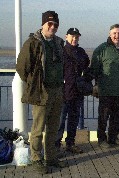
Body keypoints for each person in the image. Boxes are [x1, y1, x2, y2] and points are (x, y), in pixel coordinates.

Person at [16, 11, 66, 174]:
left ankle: (50, 157)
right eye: (49, 24)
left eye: (55, 25)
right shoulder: (33, 42)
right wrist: (34, 83)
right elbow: (22, 68)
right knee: (38, 127)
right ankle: (36, 158)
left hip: (57, 90)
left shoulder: (59, 43)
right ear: (43, 24)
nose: (52, 27)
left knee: (53, 127)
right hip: (42, 91)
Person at [90, 24, 119, 148]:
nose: (117, 36)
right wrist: (95, 86)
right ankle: (102, 139)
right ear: (109, 34)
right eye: (114, 33)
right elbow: (94, 69)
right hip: (106, 90)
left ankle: (113, 138)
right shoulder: (102, 49)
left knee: (117, 117)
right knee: (103, 117)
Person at [55, 28, 90, 154]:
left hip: (77, 92)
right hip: (63, 92)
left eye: (77, 37)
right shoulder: (61, 51)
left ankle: (70, 143)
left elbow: (87, 67)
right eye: (72, 36)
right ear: (66, 37)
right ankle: (56, 146)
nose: (74, 39)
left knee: (73, 120)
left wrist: (85, 80)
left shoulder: (81, 52)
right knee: (60, 120)